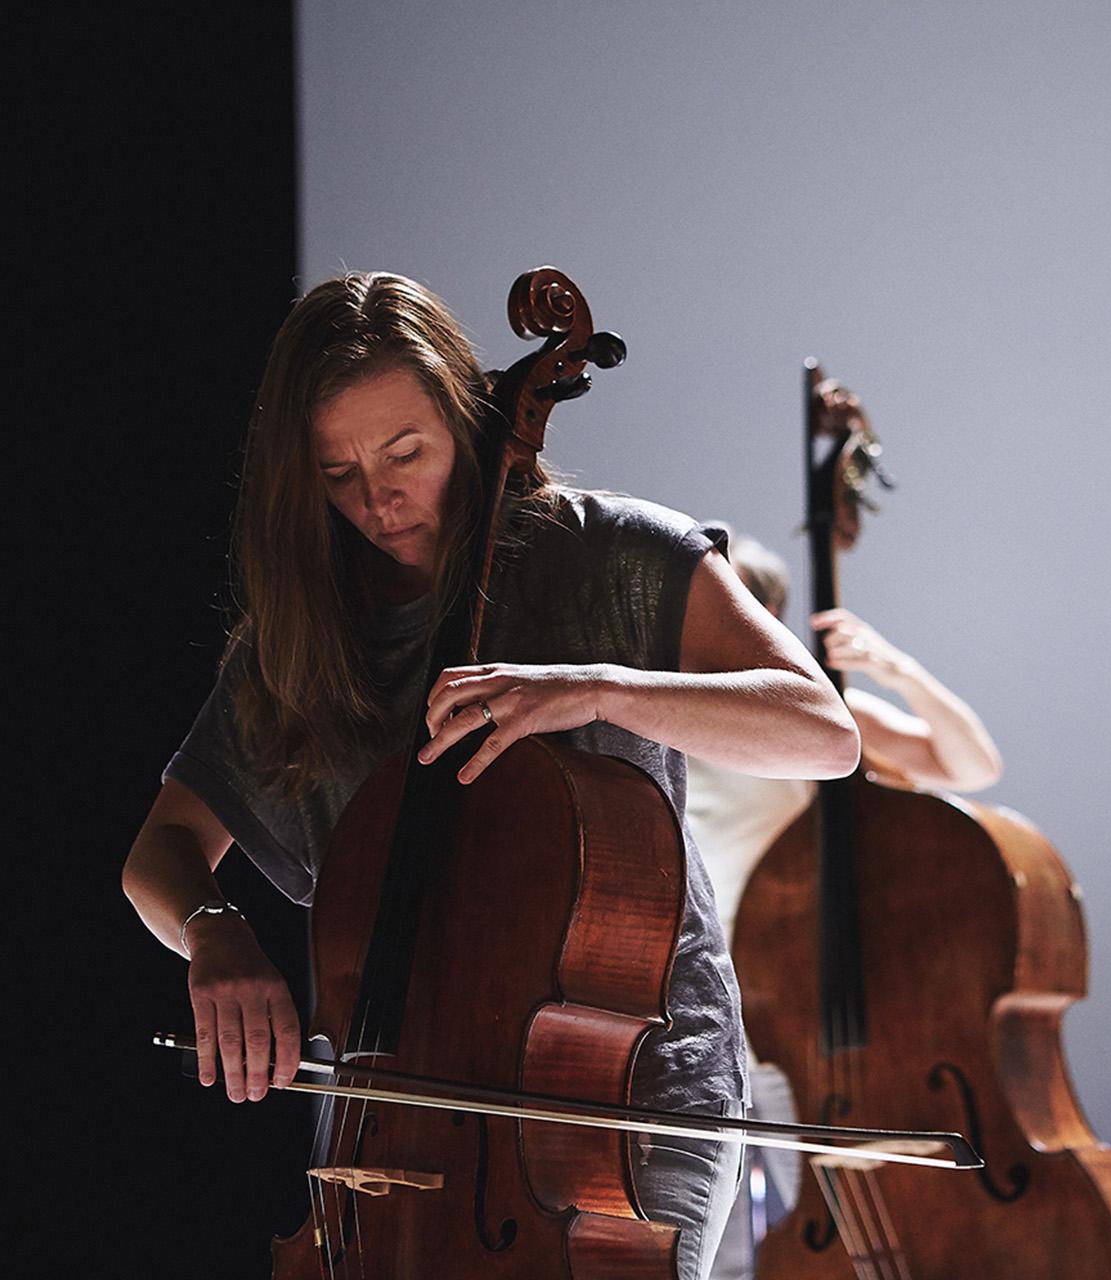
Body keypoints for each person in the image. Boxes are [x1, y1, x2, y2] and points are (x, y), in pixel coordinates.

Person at [120, 271, 860, 1280]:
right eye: (336, 471)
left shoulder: (616, 554)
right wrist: (214, 929)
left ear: (466, 416)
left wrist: (600, 687)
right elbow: (159, 853)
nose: (377, 500)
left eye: (404, 452)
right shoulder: (302, 641)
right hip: (397, 1103)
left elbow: (824, 732)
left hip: (627, 1093)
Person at [687, 531, 1002, 1280]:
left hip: (803, 1006)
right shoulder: (655, 704)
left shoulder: (806, 710)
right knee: (704, 1238)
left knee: (832, 1226)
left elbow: (971, 765)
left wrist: (895, 670)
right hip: (700, 996)